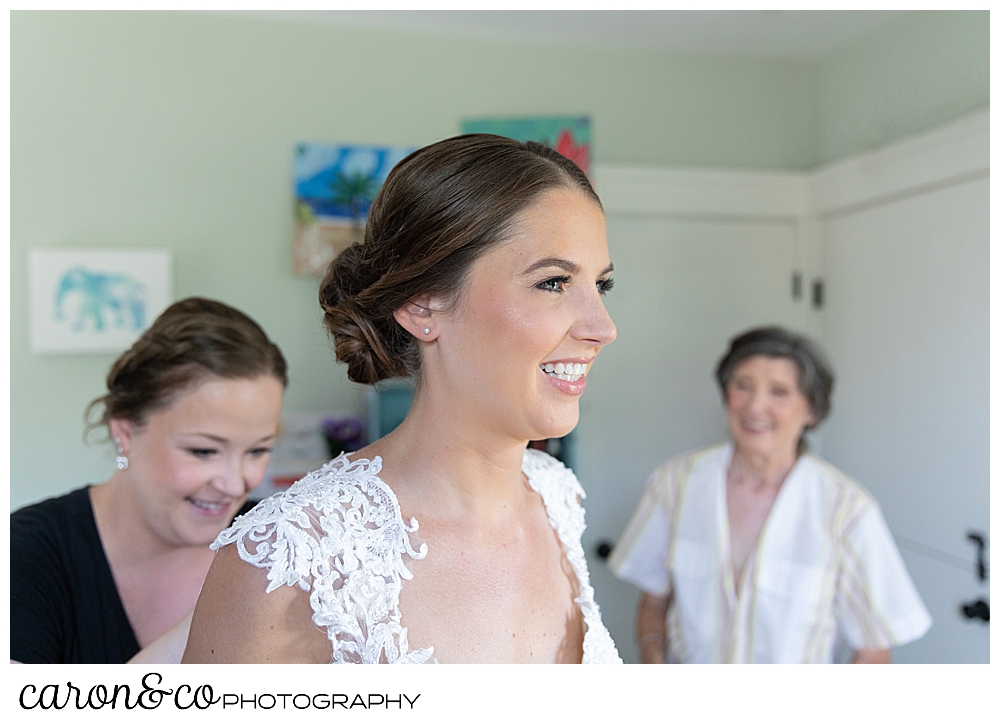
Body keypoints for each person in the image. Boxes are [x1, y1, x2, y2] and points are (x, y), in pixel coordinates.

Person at [182, 135, 622, 664]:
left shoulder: (557, 498)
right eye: (553, 282)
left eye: (602, 285)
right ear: (422, 304)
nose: (603, 327)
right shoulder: (292, 559)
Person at [609, 326, 932, 664]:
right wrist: (653, 662)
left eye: (779, 392)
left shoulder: (846, 510)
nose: (755, 406)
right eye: (743, 386)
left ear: (811, 410)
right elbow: (653, 604)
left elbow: (873, 650)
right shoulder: (674, 484)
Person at [10, 298, 287, 664]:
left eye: (257, 451)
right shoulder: (23, 554)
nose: (236, 485)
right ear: (124, 430)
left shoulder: (279, 544)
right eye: (203, 451)